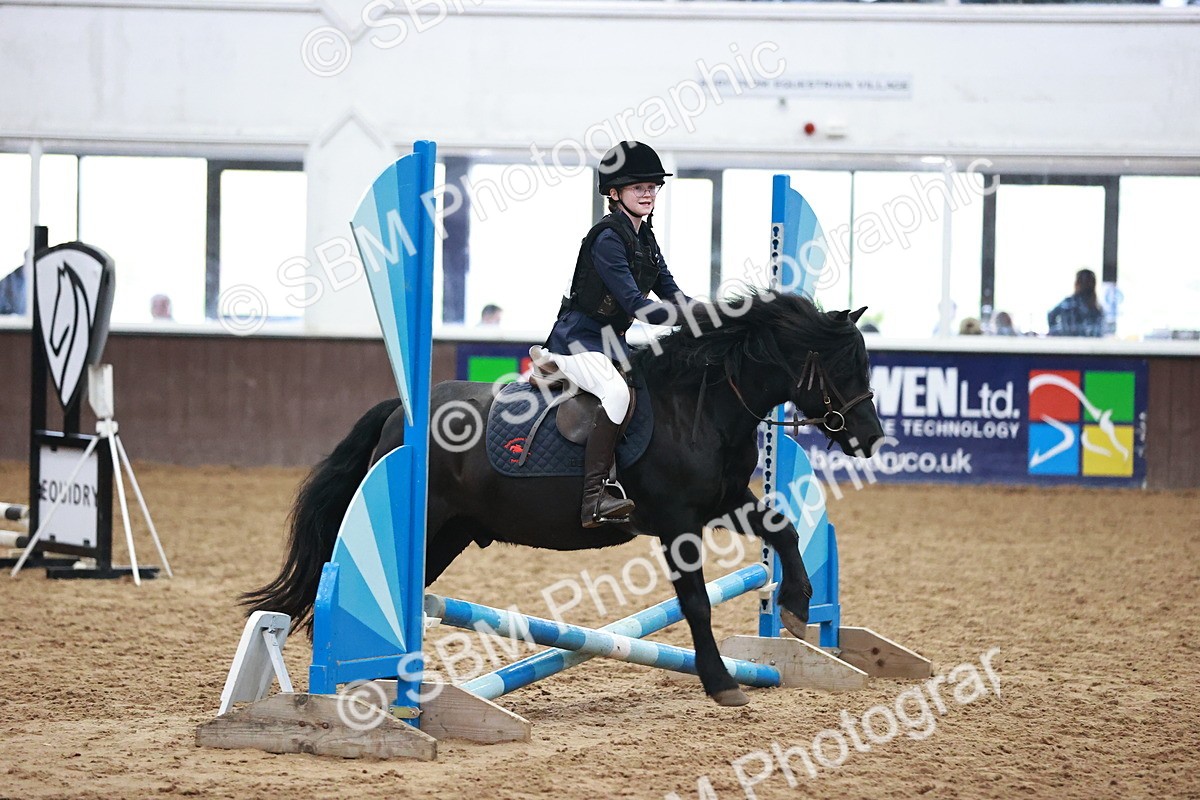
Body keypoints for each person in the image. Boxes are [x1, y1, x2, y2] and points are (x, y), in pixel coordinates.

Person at [536, 141, 690, 528]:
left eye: (653, 186)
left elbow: (672, 293)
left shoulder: (646, 240)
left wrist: (710, 313)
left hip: (612, 344)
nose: (648, 193)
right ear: (614, 192)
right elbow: (638, 305)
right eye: (639, 187)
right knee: (617, 393)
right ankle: (594, 498)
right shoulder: (606, 238)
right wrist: (691, 317)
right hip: (577, 341)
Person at [1048, 269, 1104, 337]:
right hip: (1079, 344)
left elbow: (1051, 315)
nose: (1085, 285)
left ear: (1076, 283)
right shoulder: (1096, 308)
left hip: (1070, 343)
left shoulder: (1068, 302)